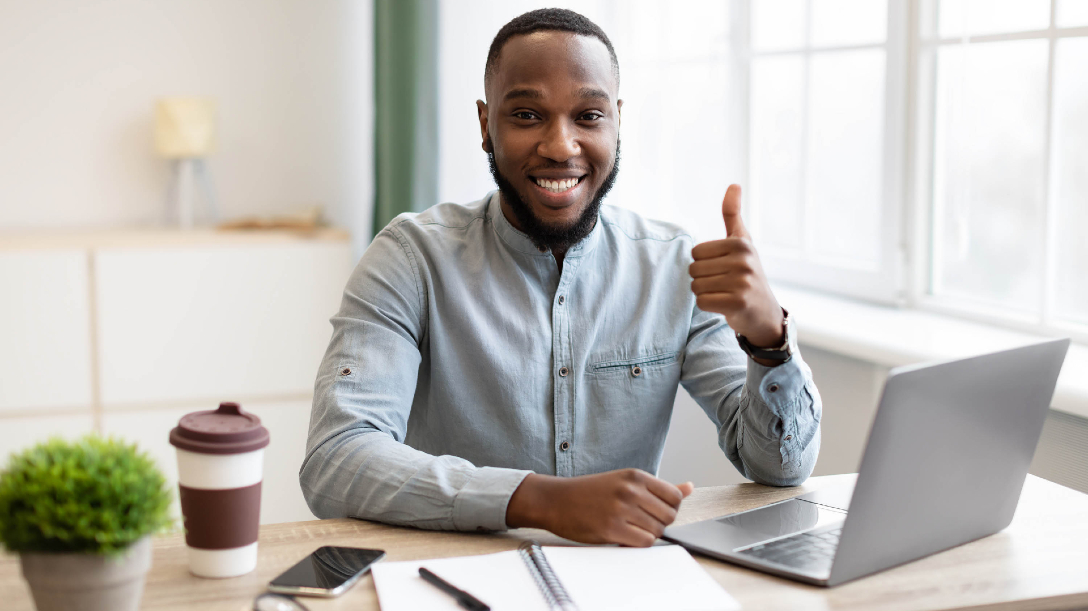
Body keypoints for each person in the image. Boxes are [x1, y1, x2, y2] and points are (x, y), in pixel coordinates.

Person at [300, 8, 821, 547]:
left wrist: (768, 341)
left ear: (618, 122)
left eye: (589, 116)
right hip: (453, 577)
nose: (560, 146)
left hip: (620, 579)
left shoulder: (672, 267)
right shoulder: (411, 260)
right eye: (526, 115)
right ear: (485, 125)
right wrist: (536, 500)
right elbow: (337, 458)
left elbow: (780, 469)